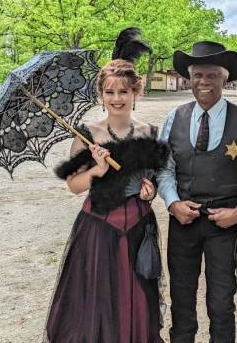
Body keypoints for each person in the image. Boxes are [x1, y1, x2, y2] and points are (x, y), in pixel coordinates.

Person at [44, 29, 169, 343]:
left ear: (136, 93)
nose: (117, 99)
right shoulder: (88, 134)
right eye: (110, 92)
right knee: (97, 303)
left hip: (139, 229)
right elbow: (74, 185)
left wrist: (149, 192)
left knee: (137, 300)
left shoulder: (149, 131)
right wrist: (97, 170)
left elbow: (153, 180)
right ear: (101, 95)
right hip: (98, 231)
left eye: (124, 92)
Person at [157, 41, 237, 343]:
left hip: (226, 226)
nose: (203, 82)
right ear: (188, 78)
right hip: (183, 223)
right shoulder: (174, 119)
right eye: (196, 75)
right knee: (181, 300)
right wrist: (172, 204)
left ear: (226, 78)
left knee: (221, 303)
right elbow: (163, 170)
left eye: (212, 75)